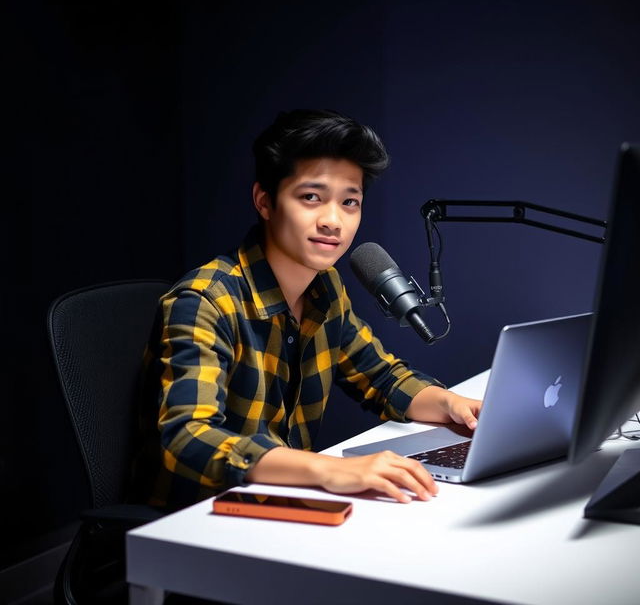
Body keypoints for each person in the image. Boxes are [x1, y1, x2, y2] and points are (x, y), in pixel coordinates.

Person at [140, 109, 481, 510]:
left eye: (350, 202)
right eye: (311, 198)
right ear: (264, 201)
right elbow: (187, 436)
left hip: (284, 504)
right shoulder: (205, 300)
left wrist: (451, 405)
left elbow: (382, 378)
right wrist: (327, 471)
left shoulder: (325, 288)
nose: (333, 221)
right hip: (201, 520)